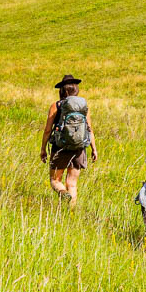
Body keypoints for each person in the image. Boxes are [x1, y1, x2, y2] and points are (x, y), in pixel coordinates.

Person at [39, 74, 97, 205]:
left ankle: (63, 194)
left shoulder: (56, 106)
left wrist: (43, 148)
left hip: (60, 147)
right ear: (76, 89)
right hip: (79, 148)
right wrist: (94, 149)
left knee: (55, 181)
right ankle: (70, 212)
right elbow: (89, 129)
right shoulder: (83, 106)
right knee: (72, 184)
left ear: (62, 90)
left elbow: (48, 130)